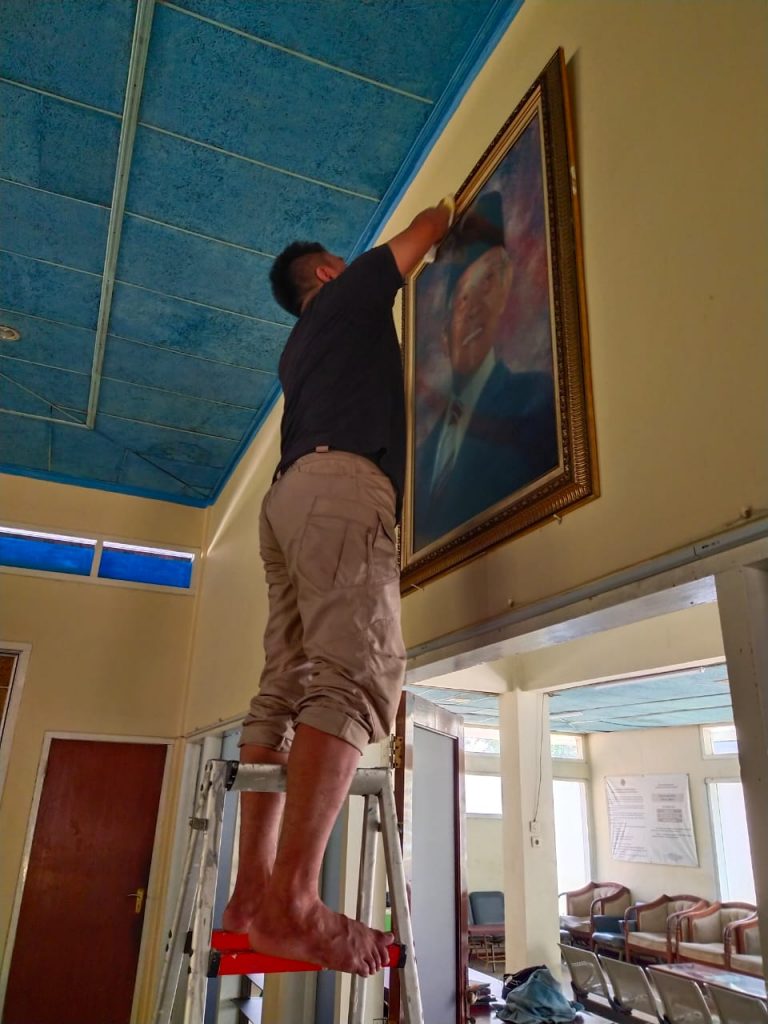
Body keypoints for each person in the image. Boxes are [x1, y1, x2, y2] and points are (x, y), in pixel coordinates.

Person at [222, 200, 453, 977]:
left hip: (287, 498)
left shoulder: (298, 350)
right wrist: (445, 210)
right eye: (342, 262)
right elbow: (427, 228)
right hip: (338, 486)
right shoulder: (348, 295)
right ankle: (291, 903)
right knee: (358, 673)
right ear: (327, 271)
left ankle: (251, 892)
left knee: (284, 684)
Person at [413, 191, 559, 550]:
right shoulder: (422, 455)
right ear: (445, 331)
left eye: (488, 284)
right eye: (463, 298)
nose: (474, 309)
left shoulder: (535, 402)